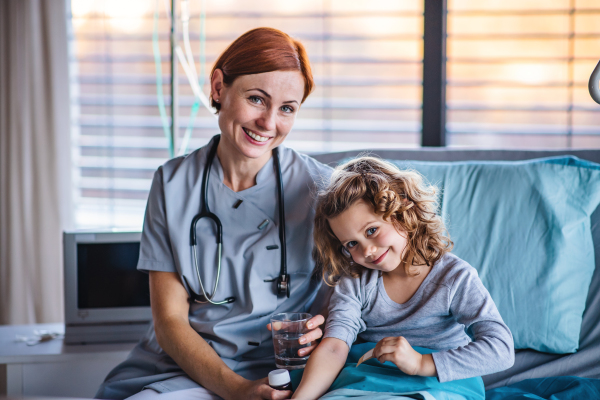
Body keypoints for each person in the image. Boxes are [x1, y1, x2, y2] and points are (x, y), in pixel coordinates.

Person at [95, 27, 332, 400]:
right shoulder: (172, 185)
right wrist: (236, 390)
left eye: (287, 109)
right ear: (219, 87)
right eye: (257, 99)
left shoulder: (323, 188)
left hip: (287, 373)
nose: (269, 123)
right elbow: (170, 320)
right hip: (190, 371)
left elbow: (360, 294)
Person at [291, 157, 515, 399]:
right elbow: (335, 347)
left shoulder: (455, 278)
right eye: (352, 243)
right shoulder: (355, 281)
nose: (367, 251)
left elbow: (501, 349)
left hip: (439, 385)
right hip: (369, 381)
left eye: (371, 230)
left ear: (402, 211)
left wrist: (420, 363)